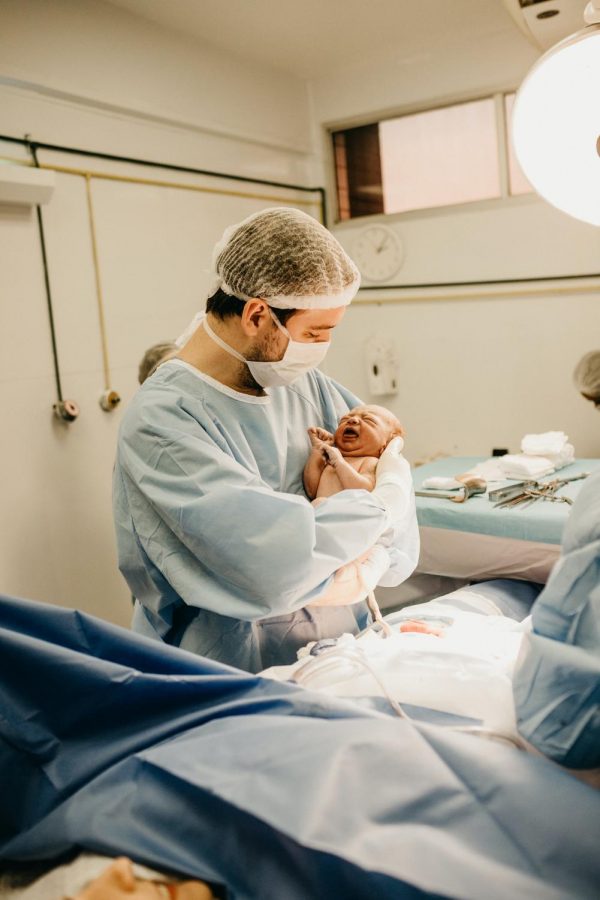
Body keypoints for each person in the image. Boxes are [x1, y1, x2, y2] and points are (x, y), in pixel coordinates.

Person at [113, 207, 418, 673]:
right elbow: (274, 569)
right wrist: (379, 507)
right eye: (314, 333)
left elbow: (387, 458)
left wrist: (371, 554)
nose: (319, 349)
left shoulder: (303, 384)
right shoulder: (164, 420)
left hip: (335, 653)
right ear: (257, 315)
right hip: (225, 670)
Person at [303, 404, 404, 500]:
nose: (352, 420)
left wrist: (340, 463)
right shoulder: (331, 459)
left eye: (368, 420)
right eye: (344, 420)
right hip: (322, 512)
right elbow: (312, 491)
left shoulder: (370, 462)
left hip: (350, 514)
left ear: (385, 445)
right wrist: (317, 450)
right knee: (317, 502)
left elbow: (364, 492)